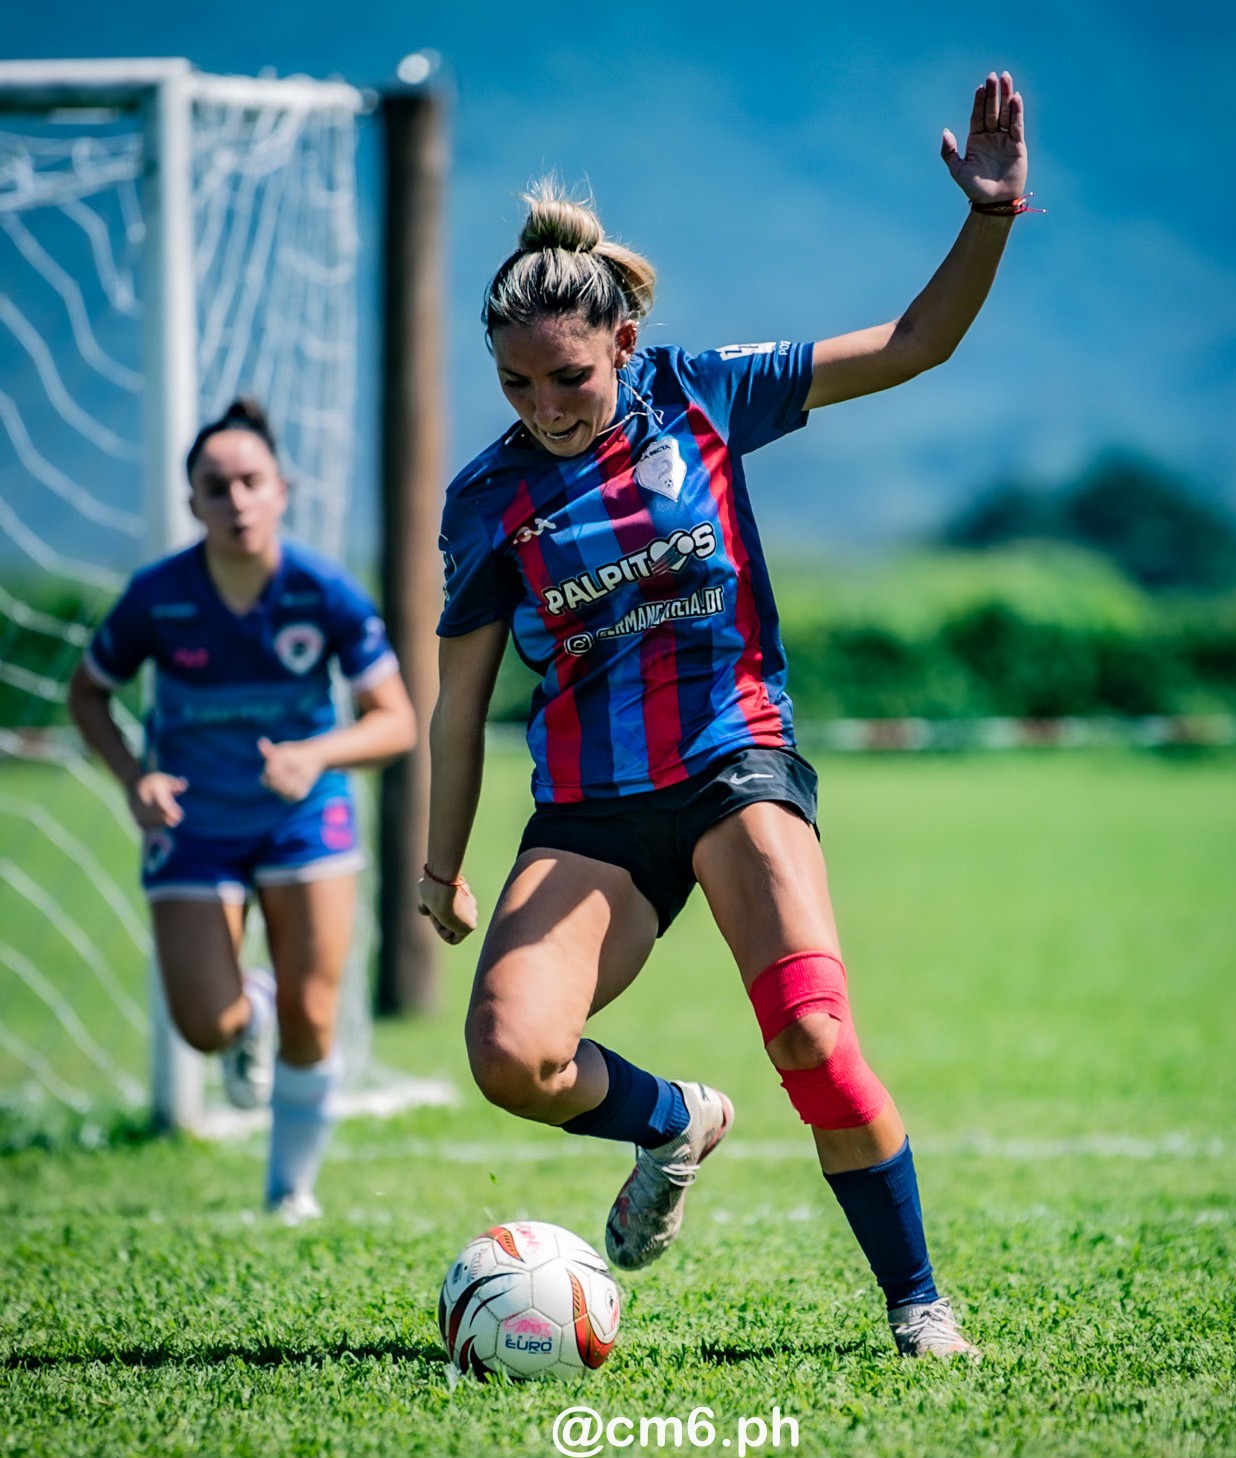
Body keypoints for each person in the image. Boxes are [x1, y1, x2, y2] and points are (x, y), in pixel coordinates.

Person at [418, 71, 1032, 1358]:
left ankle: (918, 1305)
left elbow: (917, 344)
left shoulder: (705, 394)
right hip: (588, 813)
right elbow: (458, 701)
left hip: (736, 764)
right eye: (517, 385)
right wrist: (440, 866)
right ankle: (670, 1120)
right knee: (511, 1057)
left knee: (812, 1034)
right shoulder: (486, 500)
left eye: (567, 379)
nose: (542, 408)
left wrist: (987, 215)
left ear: (623, 345)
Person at [68, 398, 418, 1222]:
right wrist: (131, 776)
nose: (235, 501)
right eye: (215, 487)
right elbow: (88, 695)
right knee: (205, 1024)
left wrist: (314, 755)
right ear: (192, 503)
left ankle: (288, 1189)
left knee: (314, 1011)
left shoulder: (324, 591)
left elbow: (396, 721)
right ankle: (247, 1006)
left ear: (281, 490)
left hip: (302, 819)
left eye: (250, 482)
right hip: (190, 825)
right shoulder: (157, 598)